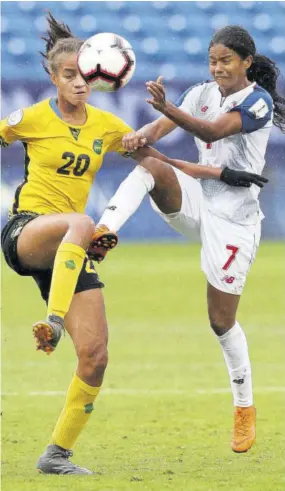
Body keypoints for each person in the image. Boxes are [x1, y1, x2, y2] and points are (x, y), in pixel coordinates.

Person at [1, 16, 264, 475]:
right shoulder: (30, 118)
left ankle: (56, 455)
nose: (79, 83)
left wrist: (210, 172)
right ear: (52, 77)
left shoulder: (106, 124)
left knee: (97, 355)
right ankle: (54, 323)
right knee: (82, 223)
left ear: (99, 74)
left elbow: (151, 158)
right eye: (68, 76)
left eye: (85, 75)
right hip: (28, 231)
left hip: (72, 248)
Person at [93, 25, 285, 454]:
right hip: (199, 199)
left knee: (220, 321)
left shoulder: (258, 101)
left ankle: (244, 407)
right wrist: (140, 136)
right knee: (149, 166)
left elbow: (211, 132)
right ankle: (104, 231)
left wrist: (166, 109)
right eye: (212, 61)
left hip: (235, 220)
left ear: (246, 62)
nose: (217, 68)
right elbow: (160, 130)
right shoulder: (201, 91)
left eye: (226, 61)